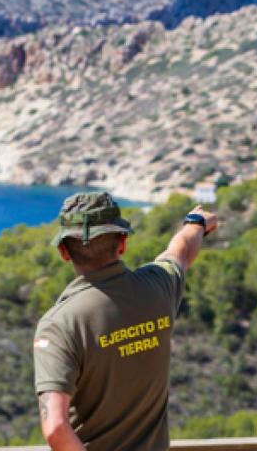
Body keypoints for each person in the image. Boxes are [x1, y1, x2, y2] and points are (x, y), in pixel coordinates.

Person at [33, 192, 218, 450]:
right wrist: (196, 223)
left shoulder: (59, 324)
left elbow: (55, 426)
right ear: (122, 243)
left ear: (64, 251)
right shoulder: (157, 286)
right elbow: (182, 250)